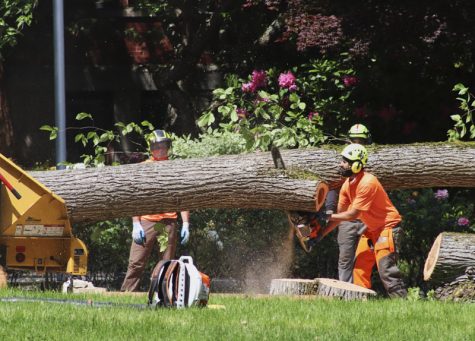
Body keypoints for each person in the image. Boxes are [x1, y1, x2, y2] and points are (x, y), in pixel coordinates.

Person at [322, 143, 407, 298]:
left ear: (356, 165)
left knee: (386, 270)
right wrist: (319, 234)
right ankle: (361, 303)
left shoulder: (368, 182)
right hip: (371, 230)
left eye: (345, 161)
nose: (341, 164)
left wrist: (326, 216)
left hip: (388, 228)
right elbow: (341, 216)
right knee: (359, 268)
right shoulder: (347, 185)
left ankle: (405, 305)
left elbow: (352, 214)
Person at [120, 129, 190, 292]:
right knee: (136, 261)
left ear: (168, 147)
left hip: (168, 222)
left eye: (163, 146)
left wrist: (186, 222)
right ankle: (127, 293)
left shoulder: (175, 168)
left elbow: (182, 197)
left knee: (166, 262)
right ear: (151, 148)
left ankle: (162, 295)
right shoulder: (143, 168)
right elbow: (135, 196)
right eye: (157, 146)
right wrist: (135, 223)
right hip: (147, 221)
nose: (160, 149)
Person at [335, 124, 371, 283]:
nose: (357, 142)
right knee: (345, 257)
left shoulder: (370, 160)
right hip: (347, 219)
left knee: (365, 258)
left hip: (367, 218)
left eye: (361, 140)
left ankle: (361, 290)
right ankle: (345, 289)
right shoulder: (344, 159)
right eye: (354, 139)